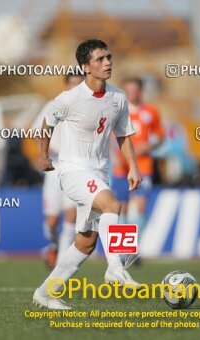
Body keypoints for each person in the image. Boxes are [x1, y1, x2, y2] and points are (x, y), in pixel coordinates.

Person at [32, 39, 142, 310]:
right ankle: (116, 267)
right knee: (113, 205)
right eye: (100, 59)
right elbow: (48, 121)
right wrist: (43, 155)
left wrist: (133, 166)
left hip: (99, 172)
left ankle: (46, 293)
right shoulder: (70, 98)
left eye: (109, 57)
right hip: (72, 169)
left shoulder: (118, 97)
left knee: (86, 242)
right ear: (86, 66)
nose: (107, 63)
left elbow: (124, 134)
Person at [32, 73, 84, 269]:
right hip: (54, 168)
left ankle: (62, 261)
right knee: (52, 220)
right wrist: (43, 153)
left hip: (74, 168)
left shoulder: (87, 108)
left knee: (71, 214)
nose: (75, 89)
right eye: (72, 84)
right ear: (65, 86)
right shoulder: (52, 106)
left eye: (79, 85)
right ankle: (53, 244)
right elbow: (38, 131)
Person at [111, 78, 164, 262]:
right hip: (120, 167)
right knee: (121, 208)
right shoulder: (117, 111)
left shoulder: (151, 111)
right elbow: (109, 137)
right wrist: (115, 154)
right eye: (128, 90)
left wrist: (148, 145)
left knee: (140, 207)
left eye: (135, 90)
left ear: (140, 91)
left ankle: (134, 249)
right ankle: (122, 253)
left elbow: (159, 135)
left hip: (143, 166)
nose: (132, 93)